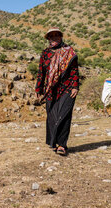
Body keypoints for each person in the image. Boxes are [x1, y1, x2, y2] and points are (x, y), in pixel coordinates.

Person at [35, 27, 79, 156]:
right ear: (48, 38)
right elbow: (41, 72)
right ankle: (53, 142)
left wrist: (75, 86)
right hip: (51, 90)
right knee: (52, 116)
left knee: (64, 115)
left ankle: (62, 144)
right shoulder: (45, 53)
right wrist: (39, 89)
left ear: (61, 37)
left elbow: (74, 70)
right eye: (51, 36)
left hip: (67, 88)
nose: (54, 38)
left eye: (56, 35)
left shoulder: (69, 52)